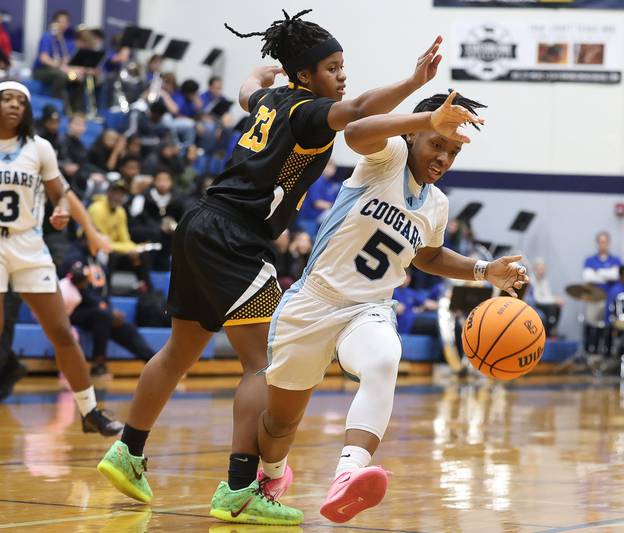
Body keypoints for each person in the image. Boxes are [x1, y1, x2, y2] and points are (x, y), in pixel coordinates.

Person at [97, 9, 446, 526]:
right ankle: (239, 489)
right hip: (236, 238)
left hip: (199, 223)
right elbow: (359, 110)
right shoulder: (309, 110)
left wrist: (257, 76)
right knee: (262, 364)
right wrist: (418, 92)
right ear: (306, 76)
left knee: (179, 349)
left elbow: (246, 92)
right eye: (331, 67)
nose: (341, 75)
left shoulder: (272, 99)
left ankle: (127, 452)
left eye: (342, 65)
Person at [259, 90, 526, 524]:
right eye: (437, 143)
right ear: (417, 133)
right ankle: (270, 476)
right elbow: (356, 131)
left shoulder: (437, 204)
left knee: (385, 358)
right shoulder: (388, 157)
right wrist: (420, 121)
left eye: (453, 151)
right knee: (279, 425)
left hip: (368, 309)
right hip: (313, 302)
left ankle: (348, 474)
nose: (443, 157)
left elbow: (429, 256)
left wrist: (484, 270)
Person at [0, 80, 121, 434]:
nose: (13, 105)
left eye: (20, 101)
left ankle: (89, 411)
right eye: (6, 99)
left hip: (29, 245)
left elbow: (62, 194)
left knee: (61, 331)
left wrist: (68, 215)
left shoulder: (39, 148)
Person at [581, 231, 621, 354]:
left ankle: (607, 353)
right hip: (594, 299)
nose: (603, 244)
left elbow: (615, 275)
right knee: (592, 325)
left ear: (608, 243)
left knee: (608, 327)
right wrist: (606, 274)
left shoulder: (615, 260)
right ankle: (591, 352)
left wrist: (597, 272)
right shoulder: (590, 260)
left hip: (609, 299)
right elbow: (588, 277)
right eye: (600, 242)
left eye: (605, 242)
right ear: (597, 243)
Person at [523, 257, 564, 337]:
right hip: (535, 303)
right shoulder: (532, 280)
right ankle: (547, 333)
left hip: (543, 303)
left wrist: (555, 300)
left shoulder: (544, 280)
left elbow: (547, 295)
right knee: (552, 308)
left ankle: (552, 329)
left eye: (543, 268)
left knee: (557, 307)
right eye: (540, 268)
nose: (542, 271)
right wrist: (554, 300)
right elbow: (538, 299)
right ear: (535, 269)